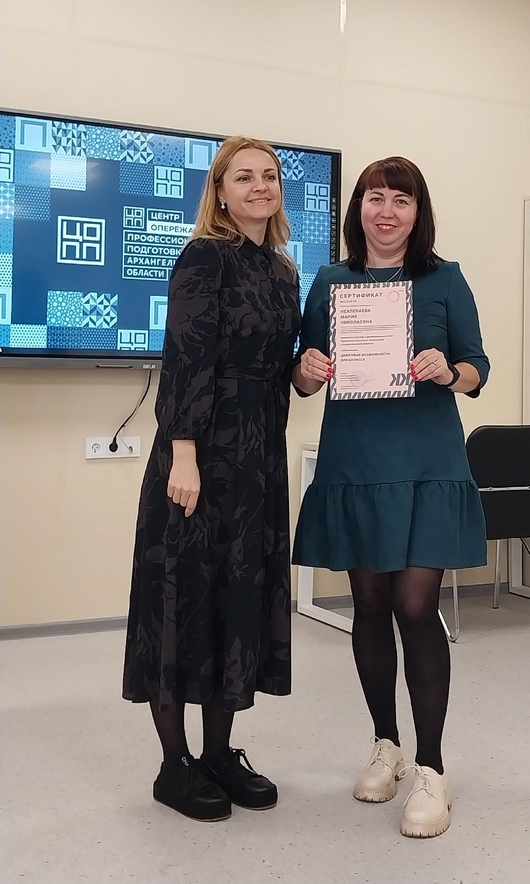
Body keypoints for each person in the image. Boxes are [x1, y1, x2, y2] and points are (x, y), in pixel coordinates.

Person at [292, 156, 489, 838]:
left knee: (415, 605)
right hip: (355, 462)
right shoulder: (331, 281)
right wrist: (307, 368)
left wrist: (450, 370)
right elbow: (304, 371)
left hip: (428, 462)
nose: (387, 211)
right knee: (370, 605)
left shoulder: (445, 278)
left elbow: (477, 365)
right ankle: (386, 744)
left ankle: (432, 767)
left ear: (417, 212)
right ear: (358, 210)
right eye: (375, 198)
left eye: (401, 200)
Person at [123, 136, 301, 821]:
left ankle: (219, 755)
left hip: (259, 460)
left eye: (270, 176)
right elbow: (187, 358)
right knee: (183, 599)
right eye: (244, 176)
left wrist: (304, 372)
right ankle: (174, 766)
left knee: (237, 599)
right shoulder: (205, 256)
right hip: (198, 457)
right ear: (220, 192)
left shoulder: (282, 269)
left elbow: (275, 365)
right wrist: (185, 455)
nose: (260, 186)